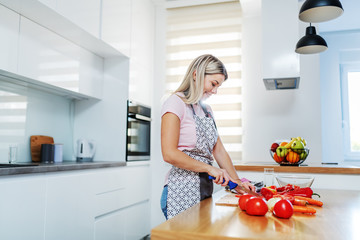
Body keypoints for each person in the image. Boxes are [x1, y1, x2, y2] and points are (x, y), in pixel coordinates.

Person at [160, 54, 255, 220]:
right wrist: (210, 168)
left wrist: (238, 183)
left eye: (218, 86)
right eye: (213, 84)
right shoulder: (175, 102)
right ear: (196, 75)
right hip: (180, 190)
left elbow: (219, 151)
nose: (215, 91)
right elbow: (169, 153)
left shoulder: (207, 110)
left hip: (204, 189)